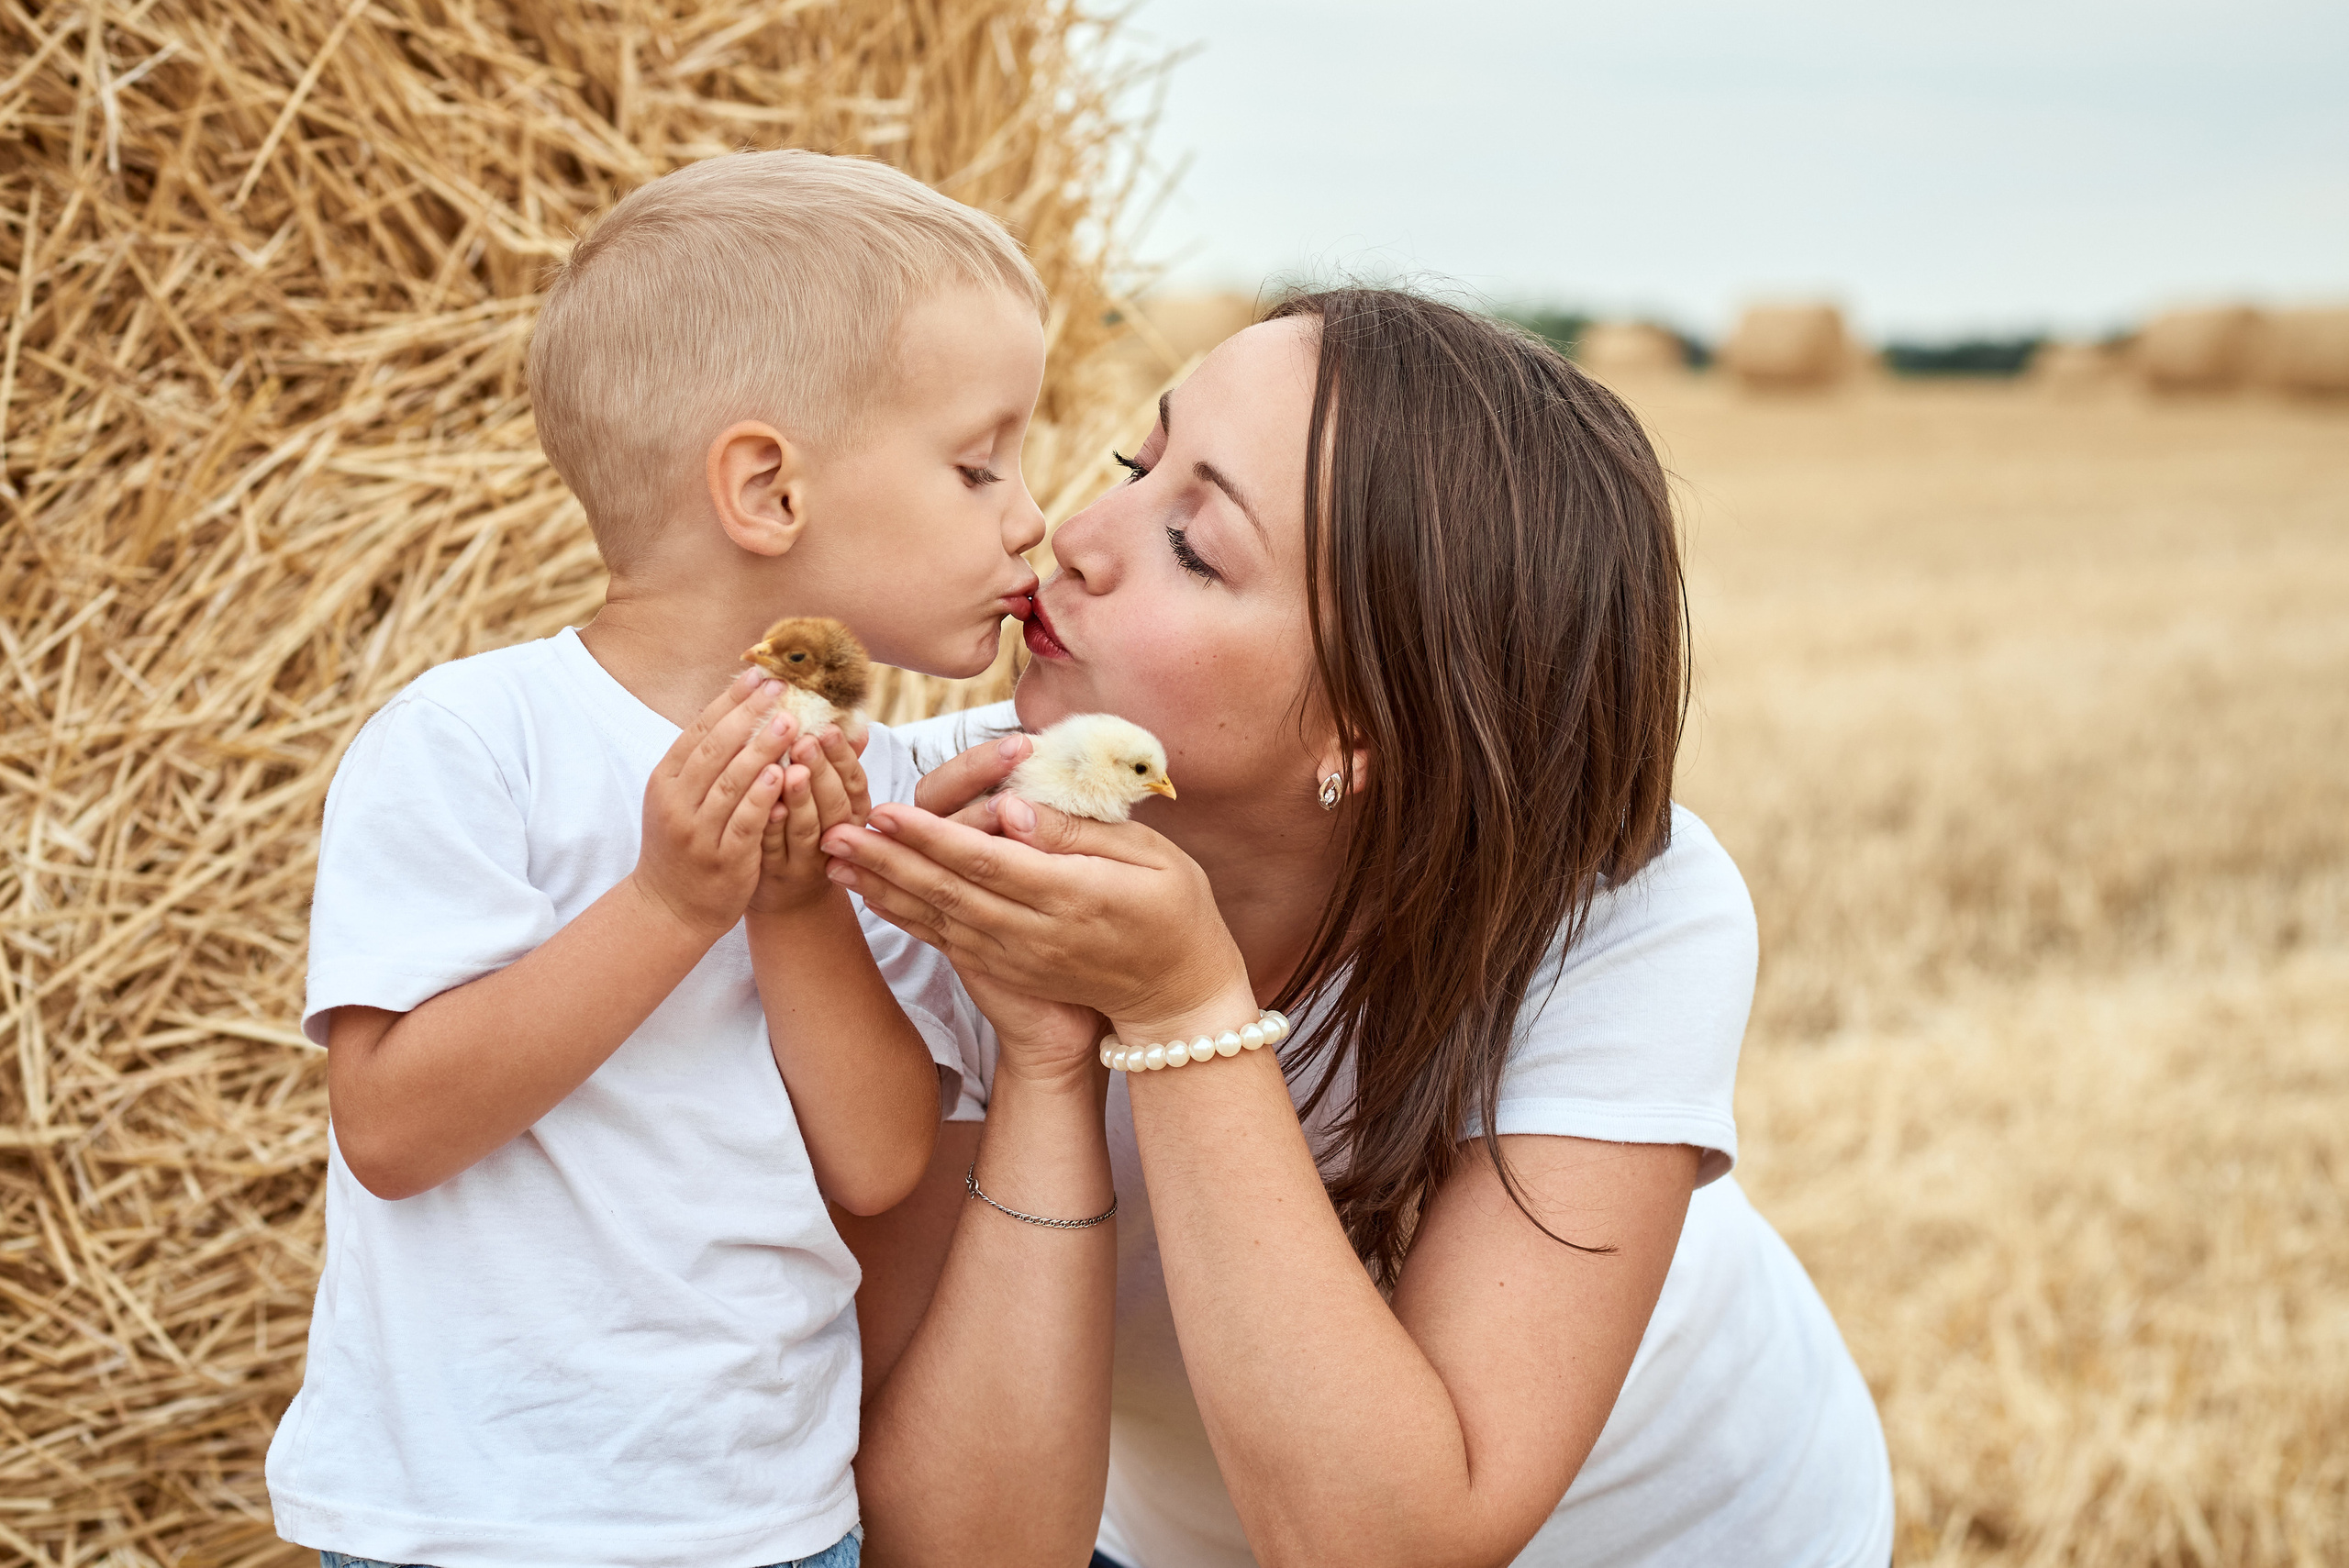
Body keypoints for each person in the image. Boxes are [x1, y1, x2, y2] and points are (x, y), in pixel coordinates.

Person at [825, 289, 1897, 1567]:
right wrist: (1048, 1056)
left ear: (1368, 729)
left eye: (1197, 545)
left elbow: (1388, 1544)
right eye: (1134, 461)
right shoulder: (926, 843)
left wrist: (1183, 1010)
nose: (1077, 536)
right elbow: (953, 1550)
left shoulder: (1616, 913)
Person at [265, 150, 1050, 1568]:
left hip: (769, 1519)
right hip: (464, 1524)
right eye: (977, 464)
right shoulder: (471, 739)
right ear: (767, 489)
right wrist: (669, 902)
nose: (1030, 517)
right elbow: (391, 1128)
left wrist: (798, 904)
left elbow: (877, 1163)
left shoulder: (877, 795)